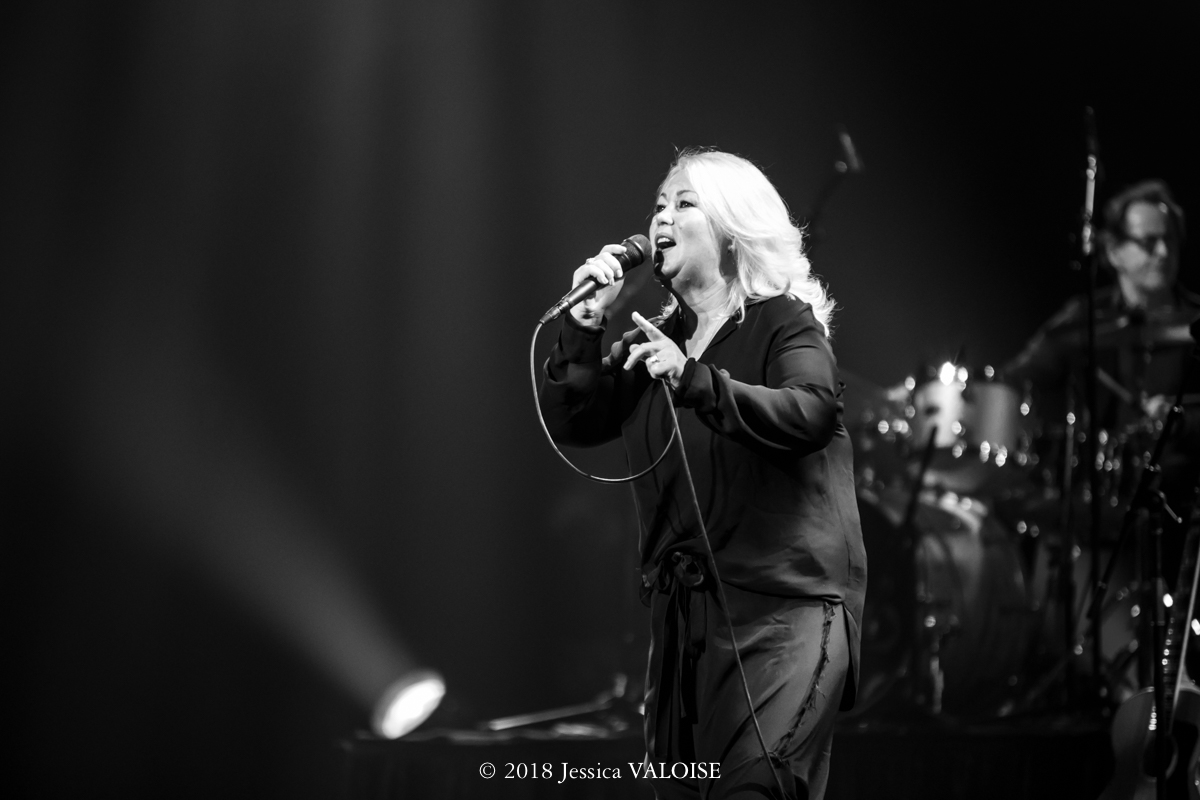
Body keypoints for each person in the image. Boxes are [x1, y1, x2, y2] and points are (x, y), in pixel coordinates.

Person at [539, 149, 866, 800]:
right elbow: (576, 420)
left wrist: (694, 378)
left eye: (683, 203)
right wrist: (585, 322)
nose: (661, 217)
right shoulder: (648, 341)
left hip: (783, 612)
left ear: (732, 229)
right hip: (685, 626)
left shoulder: (781, 320)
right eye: (658, 205)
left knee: (754, 788)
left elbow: (809, 411)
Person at [1003, 179, 1200, 688]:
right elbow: (1018, 379)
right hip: (1103, 502)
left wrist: (1183, 416)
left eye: (1170, 241)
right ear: (1113, 251)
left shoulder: (1195, 322)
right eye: (1149, 241)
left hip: (1183, 506)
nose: (1163, 253)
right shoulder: (1084, 322)